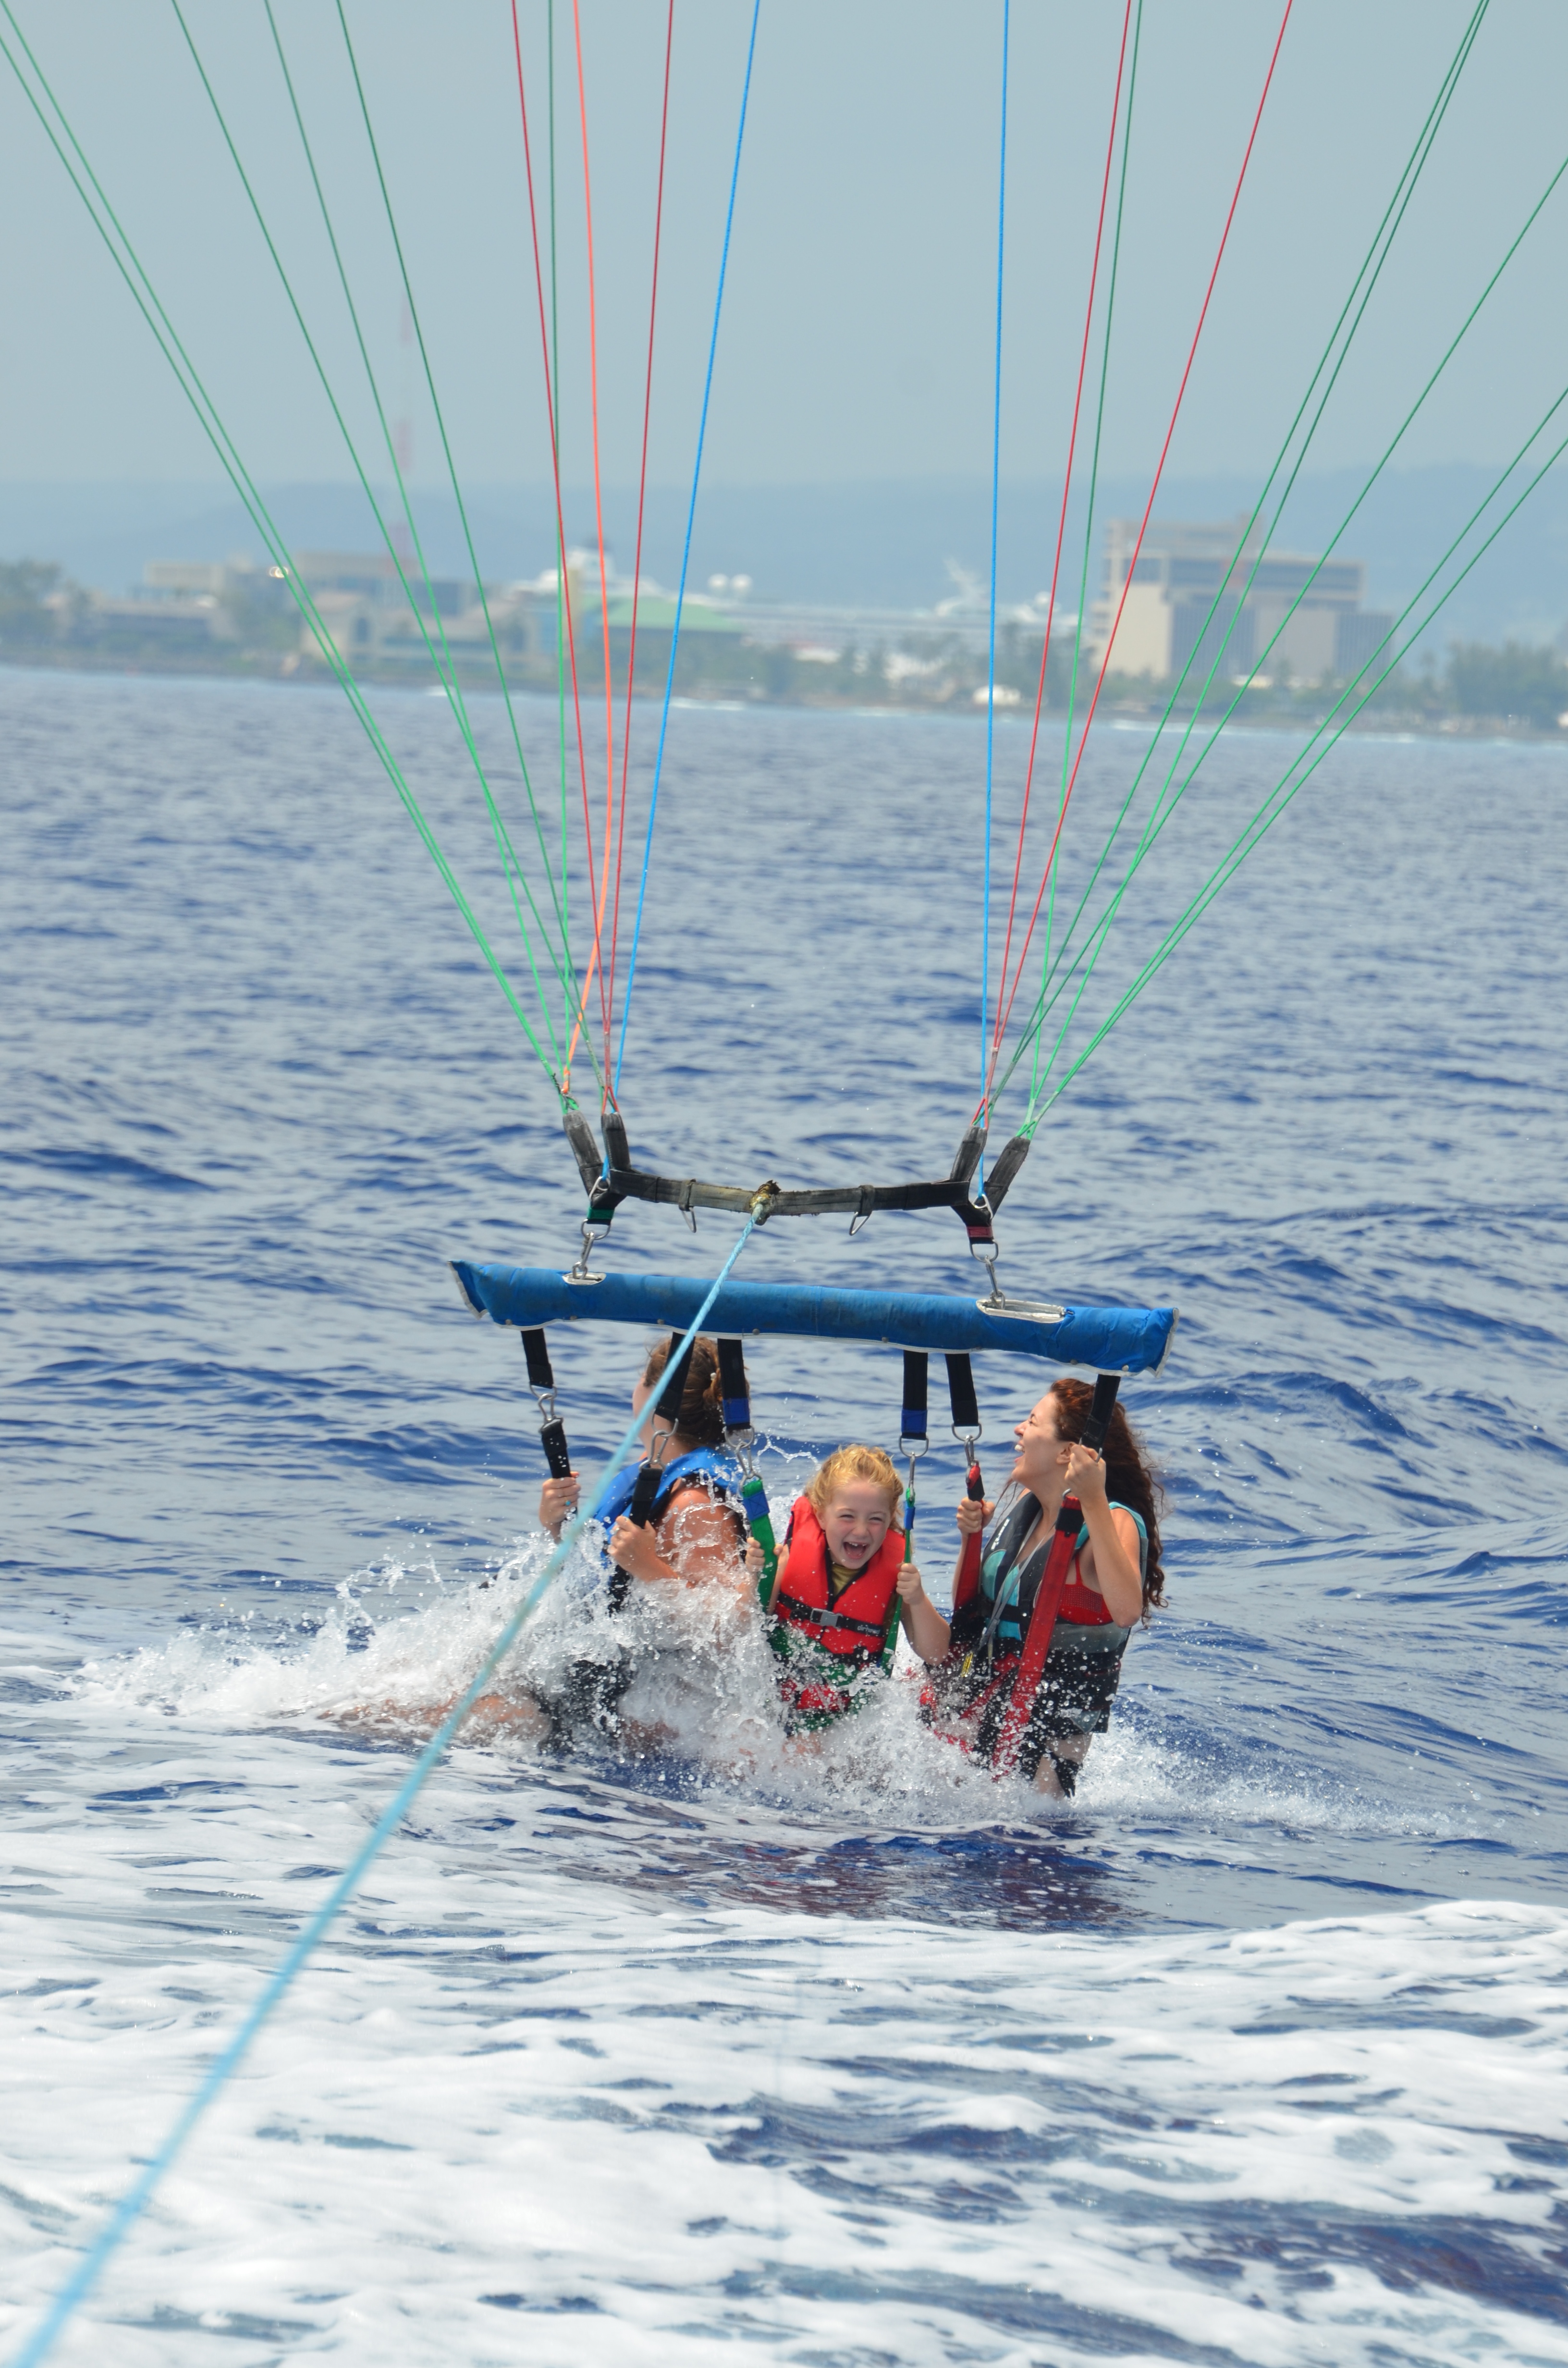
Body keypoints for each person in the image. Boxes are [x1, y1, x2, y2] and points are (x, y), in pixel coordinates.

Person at [915, 1378, 1164, 1797]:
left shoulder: (1113, 1520)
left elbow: (1126, 1610)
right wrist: (970, 1539)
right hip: (980, 1710)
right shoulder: (1026, 1515)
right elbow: (971, 1615)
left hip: (1041, 1761)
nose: (1018, 1429)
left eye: (1032, 1422)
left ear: (1068, 1452)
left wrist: (1094, 1500)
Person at [744, 1445, 949, 1735]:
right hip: (776, 1697)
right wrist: (756, 1576)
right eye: (847, 1517)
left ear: (889, 1519)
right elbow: (748, 1625)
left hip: (845, 1718)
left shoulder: (897, 1579)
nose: (862, 1530)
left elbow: (937, 1653)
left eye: (875, 1519)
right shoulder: (788, 1558)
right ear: (821, 1515)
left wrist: (917, 1599)